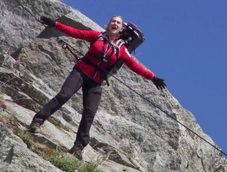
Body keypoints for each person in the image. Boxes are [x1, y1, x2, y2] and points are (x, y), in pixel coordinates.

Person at [29, 15, 166, 159]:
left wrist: (153, 78)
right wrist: (55, 24)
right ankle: (37, 121)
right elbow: (75, 32)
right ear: (108, 24)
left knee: (89, 113)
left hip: (96, 81)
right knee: (64, 95)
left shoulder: (122, 50)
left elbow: (135, 66)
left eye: (118, 23)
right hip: (81, 71)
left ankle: (78, 147)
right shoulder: (97, 36)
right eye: (113, 21)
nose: (115, 23)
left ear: (121, 29)